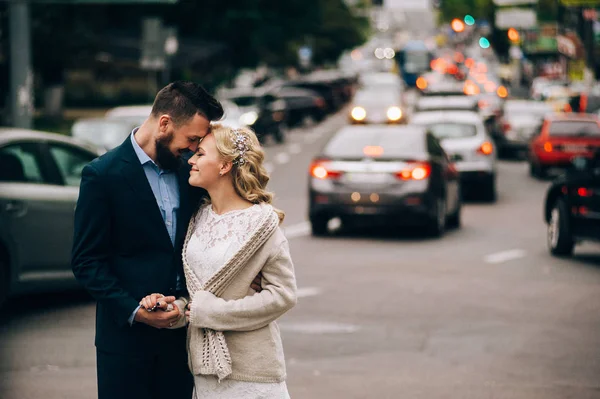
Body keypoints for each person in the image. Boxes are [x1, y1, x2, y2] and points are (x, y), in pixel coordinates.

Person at [71, 81, 227, 399]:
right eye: (191, 140)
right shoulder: (103, 175)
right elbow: (87, 261)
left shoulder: (189, 173)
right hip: (124, 345)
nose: (192, 150)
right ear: (165, 123)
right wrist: (135, 311)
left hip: (179, 341)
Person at [140, 124, 298, 398]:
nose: (191, 160)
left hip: (252, 372)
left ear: (224, 166)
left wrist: (212, 313)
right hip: (204, 371)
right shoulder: (198, 218)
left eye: (200, 154)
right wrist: (177, 309)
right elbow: (199, 297)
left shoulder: (262, 223)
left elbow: (283, 295)